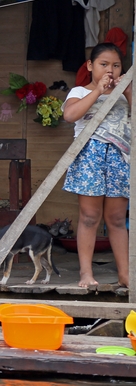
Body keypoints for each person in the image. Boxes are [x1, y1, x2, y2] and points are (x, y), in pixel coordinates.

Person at [62, 42, 131, 289]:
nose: (110, 70)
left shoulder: (125, 95)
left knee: (116, 218)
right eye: (104, 64)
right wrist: (98, 92)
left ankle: (125, 274)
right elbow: (70, 115)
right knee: (90, 217)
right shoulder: (80, 91)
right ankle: (86, 273)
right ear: (90, 66)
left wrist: (128, 92)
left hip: (119, 160)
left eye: (116, 65)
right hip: (89, 159)